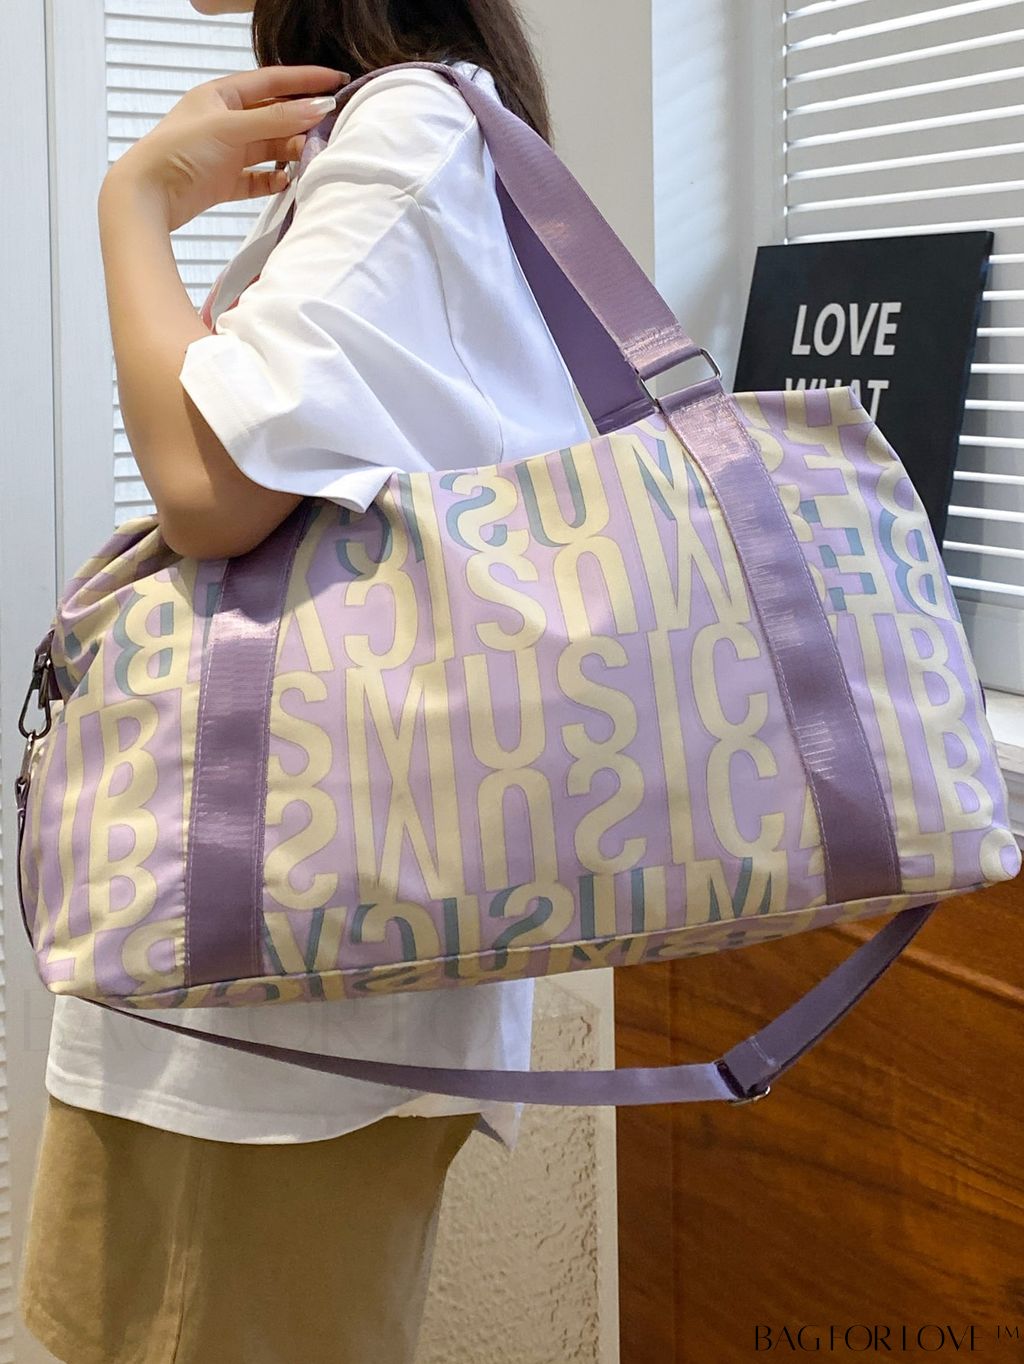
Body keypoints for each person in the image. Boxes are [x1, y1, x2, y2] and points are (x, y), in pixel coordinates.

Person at [18, 2, 591, 1361]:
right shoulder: (409, 127)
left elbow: (209, 492)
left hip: (272, 1009)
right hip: (267, 976)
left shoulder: (409, 127)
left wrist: (135, 205)